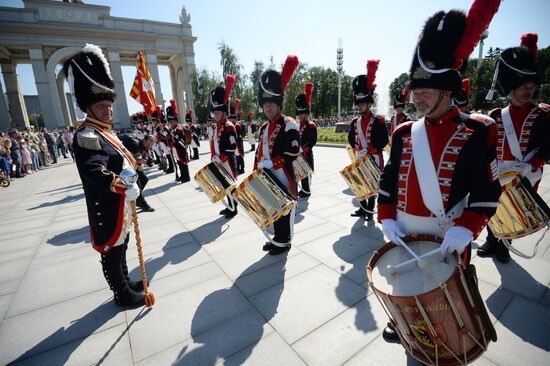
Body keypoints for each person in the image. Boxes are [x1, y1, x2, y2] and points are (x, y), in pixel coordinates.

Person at [377, 2, 502, 341]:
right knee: (407, 298)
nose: (416, 96)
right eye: (415, 89)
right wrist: (386, 216)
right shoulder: (404, 133)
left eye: (425, 89)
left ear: (447, 90)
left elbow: (488, 192)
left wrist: (467, 229)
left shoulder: (478, 131)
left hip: (446, 238)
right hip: (403, 233)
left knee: (444, 314)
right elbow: (388, 181)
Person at [65, 44, 145, 308]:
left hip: (119, 200)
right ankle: (121, 293)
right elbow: (94, 170)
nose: (108, 109)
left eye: (109, 104)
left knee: (122, 241)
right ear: (89, 107)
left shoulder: (104, 132)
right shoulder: (86, 134)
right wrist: (123, 185)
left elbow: (119, 154)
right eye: (101, 105)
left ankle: (125, 280)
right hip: (107, 201)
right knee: (111, 248)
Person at [479, 33, 550, 263]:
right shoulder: (496, 115)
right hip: (499, 171)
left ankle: (505, 246)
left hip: (525, 172)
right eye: (522, 83)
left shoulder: (542, 115)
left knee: (515, 211)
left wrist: (536, 162)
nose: (529, 87)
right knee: (493, 209)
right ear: (509, 88)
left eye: (531, 82)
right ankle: (491, 241)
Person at [255, 55, 301, 255]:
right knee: (274, 208)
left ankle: (285, 241)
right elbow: (260, 150)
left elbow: (293, 151)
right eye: (265, 104)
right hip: (267, 173)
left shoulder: (289, 123)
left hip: (283, 173)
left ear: (279, 103)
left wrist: (272, 163)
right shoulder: (264, 127)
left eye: (271, 104)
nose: (268, 107)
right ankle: (277, 239)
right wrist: (257, 166)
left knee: (285, 209)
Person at [348, 60, 389, 220]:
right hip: (361, 156)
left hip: (374, 157)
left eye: (363, 104)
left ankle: (370, 211)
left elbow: (383, 140)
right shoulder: (355, 122)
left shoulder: (378, 120)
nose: (359, 107)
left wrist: (369, 150)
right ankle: (362, 209)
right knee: (361, 184)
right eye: (358, 104)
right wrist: (358, 150)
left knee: (372, 184)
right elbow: (351, 139)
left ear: (369, 103)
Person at [210, 75, 239, 219]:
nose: (215, 114)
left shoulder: (229, 126)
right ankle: (230, 206)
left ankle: (234, 208)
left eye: (218, 112)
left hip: (227, 161)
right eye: (214, 112)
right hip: (220, 161)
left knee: (230, 185)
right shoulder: (218, 126)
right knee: (225, 185)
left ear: (224, 112)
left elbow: (231, 147)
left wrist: (219, 158)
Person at [119, 132, 156, 212]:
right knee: (138, 182)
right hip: (124, 165)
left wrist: (149, 160)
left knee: (144, 179)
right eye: (148, 145)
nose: (149, 147)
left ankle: (137, 199)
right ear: (144, 140)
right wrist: (147, 162)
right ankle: (143, 204)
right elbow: (136, 159)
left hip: (132, 165)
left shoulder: (145, 145)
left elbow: (143, 156)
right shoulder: (134, 144)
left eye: (151, 146)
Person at [295, 82, 317, 198]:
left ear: (307, 113)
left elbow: (313, 141)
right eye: (299, 114)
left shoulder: (311, 125)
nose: (300, 116)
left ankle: (307, 190)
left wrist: (303, 149)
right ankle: (303, 189)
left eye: (302, 113)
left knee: (307, 172)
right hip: (300, 153)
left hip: (307, 153)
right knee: (301, 173)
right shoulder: (299, 125)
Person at [167, 99, 191, 183]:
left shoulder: (179, 129)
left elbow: (181, 140)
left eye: (173, 121)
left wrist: (174, 140)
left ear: (176, 121)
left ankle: (186, 177)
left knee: (183, 163)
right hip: (175, 149)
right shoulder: (171, 129)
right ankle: (182, 175)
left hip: (180, 148)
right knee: (179, 162)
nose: (171, 122)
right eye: (170, 121)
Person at [229, 99, 245, 175]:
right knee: (236, 157)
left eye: (233, 119)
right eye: (231, 119)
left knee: (240, 157)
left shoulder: (238, 126)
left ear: (235, 119)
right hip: (233, 144)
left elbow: (240, 135)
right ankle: (237, 168)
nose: (232, 120)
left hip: (238, 143)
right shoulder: (229, 126)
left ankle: (242, 168)